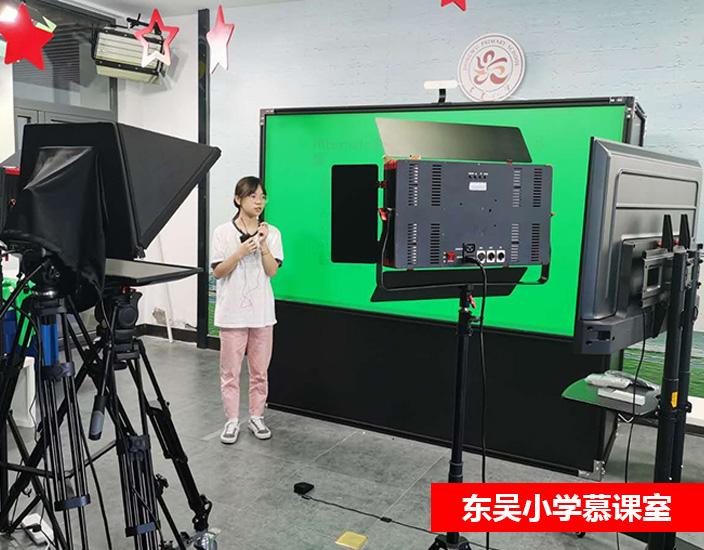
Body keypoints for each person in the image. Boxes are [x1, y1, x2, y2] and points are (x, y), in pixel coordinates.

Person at [210, 176, 283, 444]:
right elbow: (218, 272)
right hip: (232, 315)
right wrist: (240, 252)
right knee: (229, 372)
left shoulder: (272, 233)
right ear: (238, 199)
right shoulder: (222, 232)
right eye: (253, 196)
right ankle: (231, 421)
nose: (259, 201)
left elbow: (272, 271)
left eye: (262, 196)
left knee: (260, 371)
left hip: (262, 315)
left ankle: (256, 416)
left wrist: (262, 246)